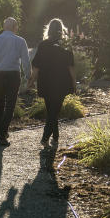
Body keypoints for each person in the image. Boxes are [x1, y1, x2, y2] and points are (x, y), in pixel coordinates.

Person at [0, 16, 30, 146]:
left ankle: (3, 131)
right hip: (13, 75)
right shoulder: (20, 41)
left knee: (0, 104)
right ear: (15, 27)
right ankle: (2, 134)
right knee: (10, 105)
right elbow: (26, 61)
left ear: (4, 27)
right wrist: (28, 77)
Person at [27, 18, 75, 147]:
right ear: (61, 30)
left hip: (46, 82)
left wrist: (32, 80)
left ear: (49, 29)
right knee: (54, 111)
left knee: (52, 111)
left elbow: (36, 66)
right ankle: (48, 138)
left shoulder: (43, 45)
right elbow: (70, 66)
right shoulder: (66, 46)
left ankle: (54, 138)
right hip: (62, 83)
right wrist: (74, 82)